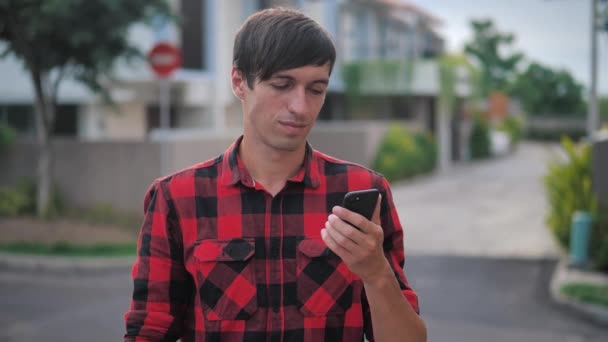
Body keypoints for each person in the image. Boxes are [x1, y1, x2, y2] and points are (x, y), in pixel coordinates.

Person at [124, 7, 426, 342]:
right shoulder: (177, 198)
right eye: (282, 85)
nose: (300, 106)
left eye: (316, 89)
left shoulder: (363, 190)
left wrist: (376, 274)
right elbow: (148, 331)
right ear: (239, 81)